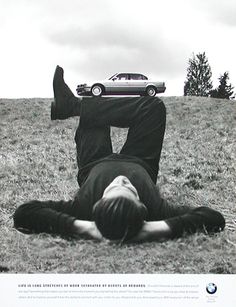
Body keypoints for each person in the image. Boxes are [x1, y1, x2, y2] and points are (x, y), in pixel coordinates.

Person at [13, 66, 225, 243]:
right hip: (141, 160)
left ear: (98, 203)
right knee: (154, 106)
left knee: (93, 119)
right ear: (141, 205)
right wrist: (153, 230)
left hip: (93, 162)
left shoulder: (83, 209)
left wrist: (85, 228)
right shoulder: (155, 209)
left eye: (113, 188)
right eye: (130, 189)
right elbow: (213, 218)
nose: (121, 180)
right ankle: (73, 106)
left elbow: (25, 213)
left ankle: (72, 106)